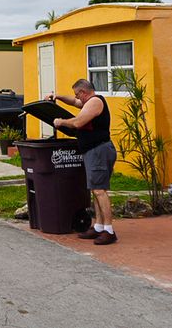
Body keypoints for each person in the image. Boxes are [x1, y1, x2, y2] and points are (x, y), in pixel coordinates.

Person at [45, 79, 118, 245]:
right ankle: (99, 227)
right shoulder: (88, 101)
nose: (77, 98)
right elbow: (74, 102)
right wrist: (57, 97)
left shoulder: (95, 102)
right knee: (95, 189)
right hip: (93, 151)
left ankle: (109, 230)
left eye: (78, 94)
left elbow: (78, 122)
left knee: (100, 190)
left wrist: (60, 122)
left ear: (84, 92)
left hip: (99, 150)